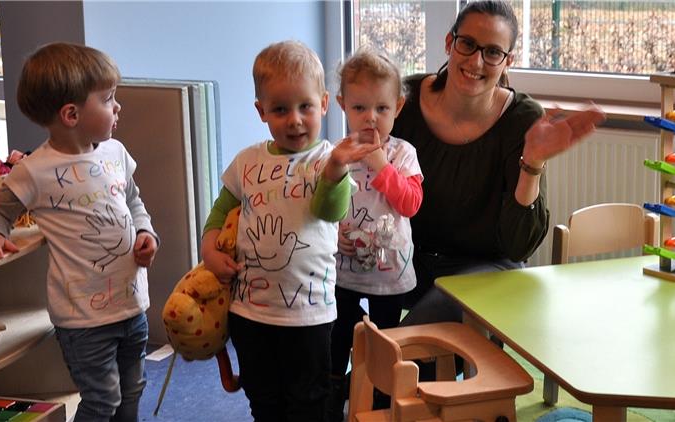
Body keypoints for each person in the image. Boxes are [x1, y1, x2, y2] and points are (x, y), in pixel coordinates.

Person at [0, 42, 159, 421]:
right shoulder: (35, 170)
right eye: (108, 99)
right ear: (71, 114)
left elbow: (133, 201)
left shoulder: (115, 152)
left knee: (132, 390)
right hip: (83, 319)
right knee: (102, 401)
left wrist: (146, 233)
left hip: (132, 306)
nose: (117, 107)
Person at [391, 1, 605, 331]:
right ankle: (333, 378)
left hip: (485, 269)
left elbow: (518, 246)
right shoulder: (403, 99)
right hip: (407, 257)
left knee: (450, 304)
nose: (476, 60)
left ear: (507, 61)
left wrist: (532, 162)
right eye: (467, 44)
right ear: (450, 43)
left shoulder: (522, 118)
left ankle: (368, 379)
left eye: (493, 52)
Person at [201, 40, 379, 422]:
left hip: (309, 313)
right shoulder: (247, 161)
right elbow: (219, 213)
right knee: (263, 398)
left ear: (325, 104)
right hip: (249, 311)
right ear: (261, 110)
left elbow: (330, 210)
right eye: (280, 109)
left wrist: (335, 172)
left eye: (305, 107)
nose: (295, 120)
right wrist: (209, 250)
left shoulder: (329, 159)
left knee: (308, 400)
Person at [327, 47, 423, 421]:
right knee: (337, 334)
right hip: (342, 270)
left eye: (382, 109)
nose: (371, 119)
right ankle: (335, 389)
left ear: (398, 107)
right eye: (360, 108)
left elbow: (411, 203)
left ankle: (383, 395)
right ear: (342, 105)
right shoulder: (337, 153)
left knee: (386, 338)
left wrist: (381, 165)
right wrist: (333, 234)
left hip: (390, 272)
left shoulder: (403, 154)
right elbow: (320, 204)